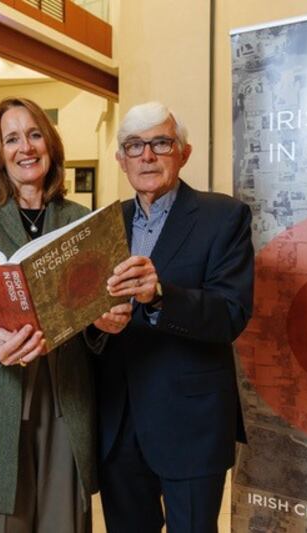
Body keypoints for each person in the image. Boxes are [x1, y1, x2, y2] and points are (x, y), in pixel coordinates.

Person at [0, 97, 131, 533]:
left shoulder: (82, 221)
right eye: (12, 138)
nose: (26, 147)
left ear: (51, 144)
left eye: (35, 134)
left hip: (64, 397)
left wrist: (104, 321)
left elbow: (100, 315)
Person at [96, 101, 254, 532]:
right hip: (118, 423)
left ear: (183, 153)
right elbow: (91, 312)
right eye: (134, 146)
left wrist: (161, 294)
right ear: (120, 160)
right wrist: (97, 325)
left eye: (160, 143)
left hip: (190, 425)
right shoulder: (106, 224)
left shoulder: (224, 217)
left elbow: (231, 313)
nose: (146, 155)